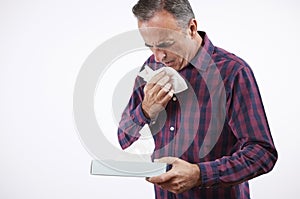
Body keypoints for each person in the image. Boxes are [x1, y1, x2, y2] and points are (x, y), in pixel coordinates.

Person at [117, 0, 278, 198]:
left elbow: (263, 154)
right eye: (150, 46)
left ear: (191, 28)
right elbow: (123, 137)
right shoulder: (152, 67)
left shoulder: (233, 73)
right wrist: (145, 111)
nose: (158, 57)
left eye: (166, 44)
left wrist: (200, 175)